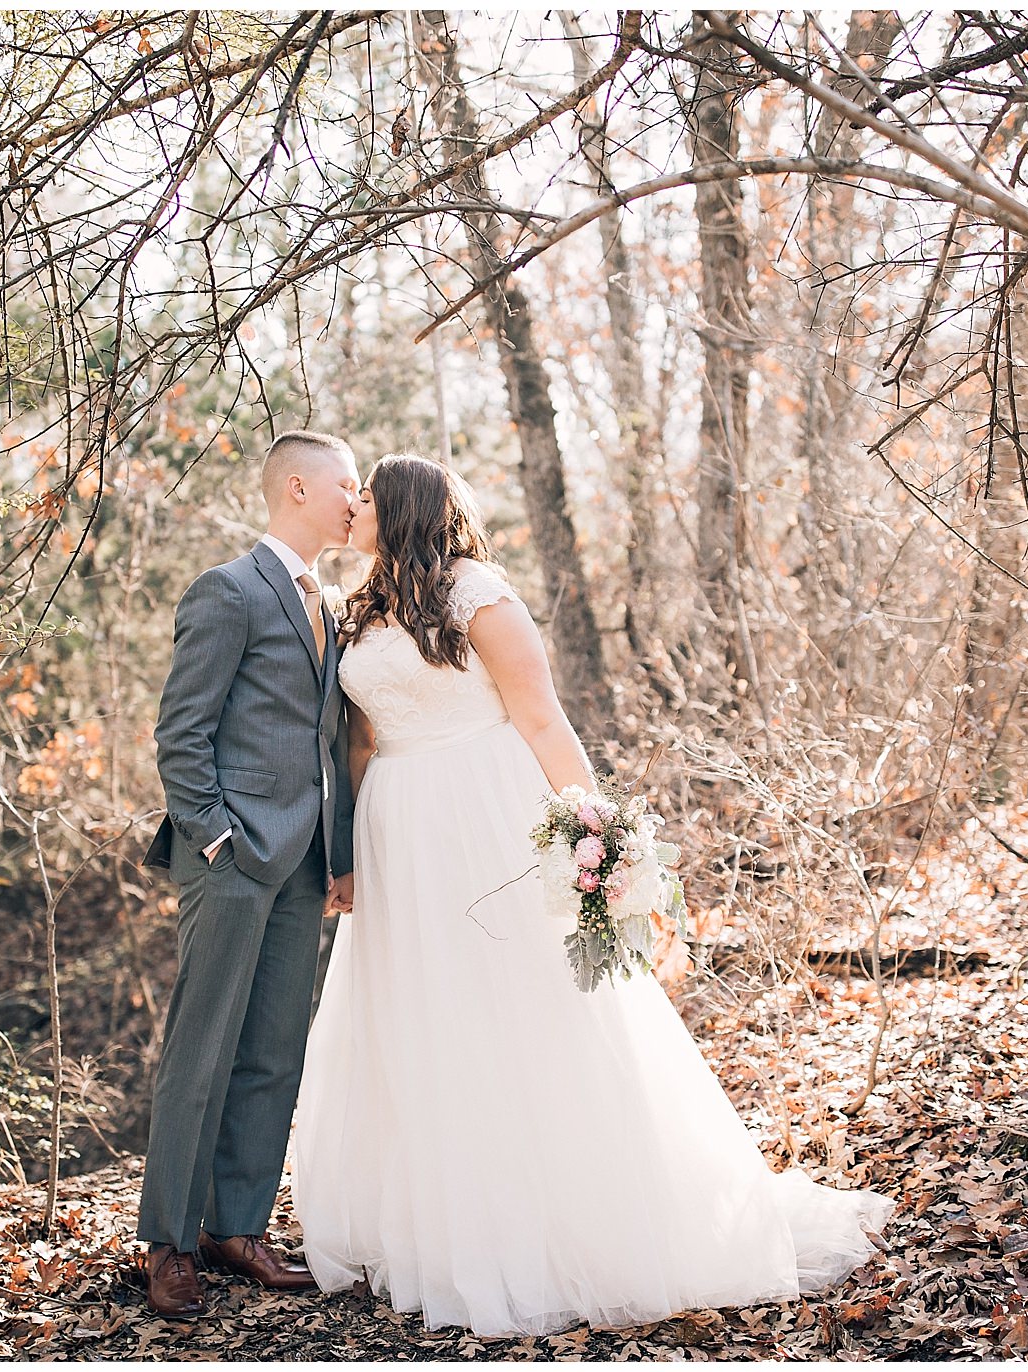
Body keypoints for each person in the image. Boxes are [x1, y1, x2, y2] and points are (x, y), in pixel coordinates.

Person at [290, 454, 894, 1337]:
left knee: (522, 1003)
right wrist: (344, 853)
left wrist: (597, 835)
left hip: (483, 812)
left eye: (369, 497)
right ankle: (448, 1217)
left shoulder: (476, 594)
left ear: (407, 510)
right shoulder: (359, 608)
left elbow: (540, 717)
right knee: (424, 1011)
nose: (355, 508)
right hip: (397, 829)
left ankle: (569, 1217)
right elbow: (357, 743)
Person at [137, 429, 360, 1318]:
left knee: (273, 1053)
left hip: (306, 863)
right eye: (347, 484)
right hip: (231, 861)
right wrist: (216, 838)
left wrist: (337, 856)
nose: (356, 499)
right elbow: (180, 733)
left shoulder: (334, 607)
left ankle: (238, 1229)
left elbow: (329, 739)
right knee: (202, 1051)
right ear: (298, 488)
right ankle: (169, 1243)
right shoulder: (228, 591)